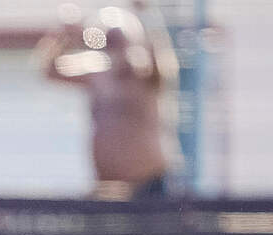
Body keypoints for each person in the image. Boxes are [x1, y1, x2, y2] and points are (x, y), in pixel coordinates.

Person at [37, 2, 181, 198]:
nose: (117, 49)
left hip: (148, 184)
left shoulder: (147, 75)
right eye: (110, 42)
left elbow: (162, 56)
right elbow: (51, 71)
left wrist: (146, 13)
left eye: (121, 41)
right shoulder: (96, 74)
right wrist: (65, 35)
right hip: (107, 188)